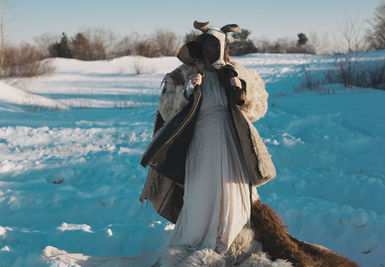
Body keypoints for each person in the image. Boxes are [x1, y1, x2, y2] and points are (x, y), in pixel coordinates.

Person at [41, 21, 278, 266]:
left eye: (216, 45)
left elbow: (259, 106)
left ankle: (231, 238)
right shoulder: (184, 73)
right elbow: (165, 107)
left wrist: (243, 90)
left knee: (233, 189)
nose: (211, 50)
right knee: (203, 189)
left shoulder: (237, 72)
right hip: (201, 141)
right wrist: (187, 92)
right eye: (207, 45)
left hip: (232, 140)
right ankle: (199, 239)